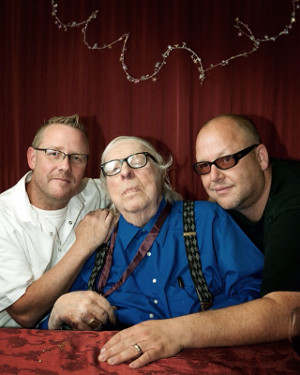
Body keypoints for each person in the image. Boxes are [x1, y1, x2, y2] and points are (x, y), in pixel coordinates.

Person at [47, 135, 264, 369]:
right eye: (113, 168)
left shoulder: (207, 220)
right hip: (112, 363)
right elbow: (55, 322)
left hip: (200, 363)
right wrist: (58, 310)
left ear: (161, 172)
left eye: (137, 161)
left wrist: (191, 330)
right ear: (107, 186)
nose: (125, 173)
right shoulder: (95, 238)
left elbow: (256, 296)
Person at [191, 114, 300, 349]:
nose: (214, 177)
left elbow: (288, 315)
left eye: (227, 160)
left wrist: (175, 332)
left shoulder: (292, 208)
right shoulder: (236, 194)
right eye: (204, 166)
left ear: (261, 157)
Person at [0, 114, 113, 328]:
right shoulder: (3, 217)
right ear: (32, 158)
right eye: (54, 154)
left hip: (73, 332)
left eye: (77, 158)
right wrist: (84, 244)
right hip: (12, 341)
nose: (65, 166)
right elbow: (24, 313)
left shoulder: (94, 192)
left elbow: (143, 193)